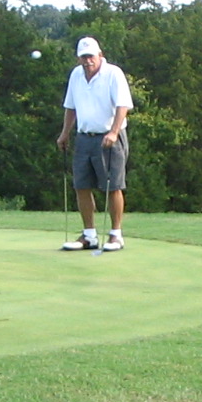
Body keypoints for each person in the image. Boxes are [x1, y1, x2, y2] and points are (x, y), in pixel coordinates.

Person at [55, 36, 134, 252]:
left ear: (100, 55)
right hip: (84, 137)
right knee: (81, 185)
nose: (87, 61)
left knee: (113, 186)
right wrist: (64, 134)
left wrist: (114, 132)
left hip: (109, 137)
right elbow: (70, 107)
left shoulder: (113, 73)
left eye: (91, 56)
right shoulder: (76, 75)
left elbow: (123, 105)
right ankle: (89, 235)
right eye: (83, 57)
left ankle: (116, 235)